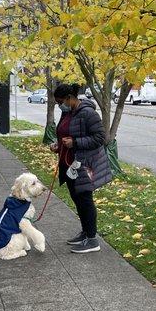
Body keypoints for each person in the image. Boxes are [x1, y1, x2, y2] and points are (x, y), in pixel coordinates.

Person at [50, 83, 112, 253]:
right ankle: (85, 232)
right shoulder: (67, 111)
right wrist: (59, 145)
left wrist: (75, 143)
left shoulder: (87, 112)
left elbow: (100, 137)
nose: (59, 105)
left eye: (60, 102)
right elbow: (65, 133)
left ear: (70, 98)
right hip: (68, 164)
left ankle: (92, 239)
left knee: (85, 200)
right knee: (77, 200)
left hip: (83, 164)